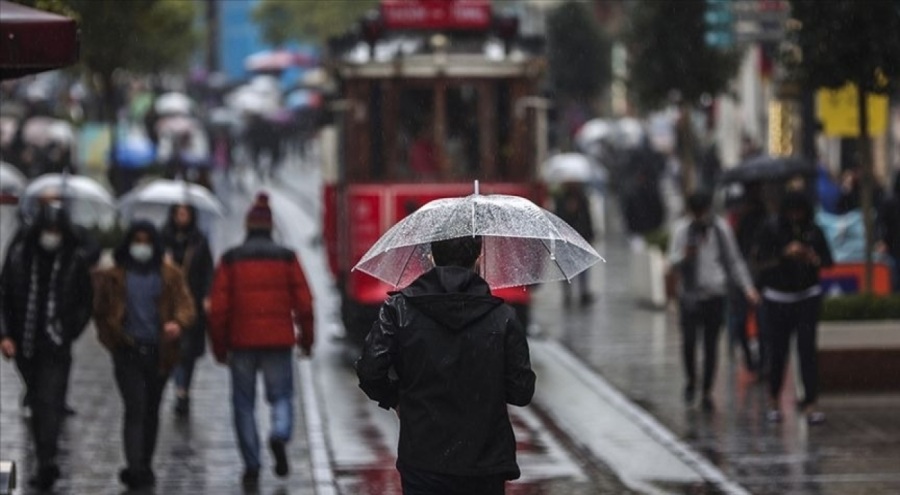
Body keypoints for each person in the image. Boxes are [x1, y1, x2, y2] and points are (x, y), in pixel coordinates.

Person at [356, 235, 536, 495]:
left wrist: (396, 399)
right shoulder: (502, 317)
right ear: (478, 259)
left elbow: (370, 370)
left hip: (423, 458)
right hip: (484, 462)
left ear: (431, 258)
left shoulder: (399, 309)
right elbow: (521, 391)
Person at [208, 193, 315, 489]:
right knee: (281, 396)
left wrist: (219, 347)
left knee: (243, 404)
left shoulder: (230, 259)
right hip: (279, 340)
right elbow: (305, 304)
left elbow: (218, 310)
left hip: (241, 343)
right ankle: (279, 434)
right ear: (270, 227)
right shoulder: (287, 257)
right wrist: (307, 340)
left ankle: (252, 464)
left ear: (247, 226)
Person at [92, 220, 196, 489]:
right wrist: (112, 339)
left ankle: (145, 463)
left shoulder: (169, 274)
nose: (141, 247)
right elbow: (101, 312)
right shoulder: (115, 276)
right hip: (127, 352)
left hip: (159, 353)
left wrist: (177, 324)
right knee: (135, 408)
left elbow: (186, 305)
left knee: (150, 409)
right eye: (136, 241)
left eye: (146, 241)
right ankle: (135, 467)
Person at [0, 203, 93, 490]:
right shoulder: (18, 258)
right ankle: (43, 454)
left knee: (50, 402)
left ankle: (46, 460)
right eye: (47, 230)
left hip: (55, 346)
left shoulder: (73, 261)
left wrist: (67, 331)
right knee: (38, 401)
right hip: (24, 344)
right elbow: (3, 298)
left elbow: (84, 302)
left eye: (56, 230)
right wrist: (5, 335)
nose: (51, 236)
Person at [667, 191, 759, 411]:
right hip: (689, 295)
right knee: (689, 342)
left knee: (711, 345)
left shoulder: (720, 229)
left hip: (715, 295)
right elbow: (671, 260)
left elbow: (734, 260)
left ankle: (707, 390)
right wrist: (684, 256)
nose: (700, 216)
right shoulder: (682, 230)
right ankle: (691, 381)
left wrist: (748, 288)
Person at [753, 191, 833, 424]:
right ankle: (773, 400)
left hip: (807, 296)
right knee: (778, 352)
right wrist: (784, 254)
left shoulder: (813, 231)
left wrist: (812, 258)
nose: (796, 217)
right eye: (792, 212)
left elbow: (828, 260)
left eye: (800, 212)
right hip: (778, 298)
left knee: (807, 351)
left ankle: (810, 402)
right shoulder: (771, 229)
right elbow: (759, 261)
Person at [161, 204, 214, 417]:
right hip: (167, 303)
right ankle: (179, 387)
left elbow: (208, 270)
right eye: (178, 213)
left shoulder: (199, 240)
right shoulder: (162, 238)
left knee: (188, 350)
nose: (182, 217)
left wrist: (207, 296)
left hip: (192, 302)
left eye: (186, 213)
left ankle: (183, 390)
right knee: (173, 347)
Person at [728, 182, 768, 377]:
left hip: (756, 278)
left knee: (751, 322)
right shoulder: (744, 221)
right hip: (746, 278)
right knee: (748, 322)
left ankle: (758, 362)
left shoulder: (764, 220)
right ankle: (756, 362)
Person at [553, 182, 596, 306]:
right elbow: (559, 218)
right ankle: (567, 293)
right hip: (566, 238)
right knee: (566, 267)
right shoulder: (561, 199)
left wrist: (590, 234)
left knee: (583, 267)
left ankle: (583, 292)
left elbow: (587, 218)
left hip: (581, 237)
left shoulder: (582, 198)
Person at [876, 174, 900, 292]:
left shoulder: (889, 202)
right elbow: (881, 223)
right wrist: (882, 241)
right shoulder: (890, 203)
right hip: (894, 247)